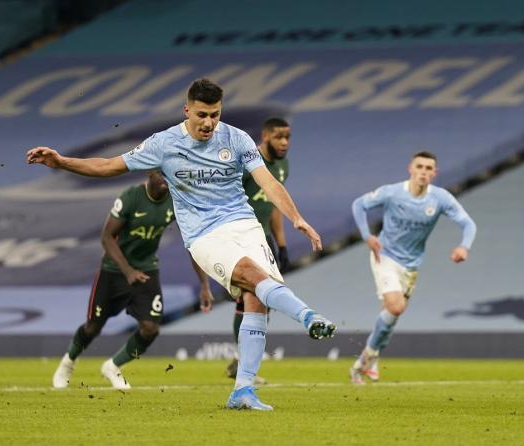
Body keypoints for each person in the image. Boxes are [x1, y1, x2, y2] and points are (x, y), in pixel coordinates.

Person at [27, 78, 336, 411]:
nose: (208, 123)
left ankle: (243, 390)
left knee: (257, 300)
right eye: (202, 114)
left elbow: (268, 183)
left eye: (215, 115)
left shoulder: (237, 139)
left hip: (244, 225)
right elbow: (108, 165)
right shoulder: (164, 144)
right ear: (187, 110)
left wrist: (296, 218)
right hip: (204, 235)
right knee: (253, 276)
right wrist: (62, 162)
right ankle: (308, 316)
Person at [52, 170, 214, 389]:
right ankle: (68, 363)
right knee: (93, 327)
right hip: (114, 270)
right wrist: (127, 271)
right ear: (150, 173)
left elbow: (192, 244)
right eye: (163, 173)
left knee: (150, 328)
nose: (168, 179)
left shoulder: (176, 201)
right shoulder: (131, 197)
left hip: (146, 269)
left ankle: (113, 366)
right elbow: (106, 237)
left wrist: (204, 285)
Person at [349, 151, 476, 385]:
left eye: (429, 169)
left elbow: (468, 224)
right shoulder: (392, 192)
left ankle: (366, 360)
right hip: (384, 255)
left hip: (412, 265)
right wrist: (367, 236)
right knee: (396, 307)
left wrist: (464, 247)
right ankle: (368, 359)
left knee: (390, 317)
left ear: (434, 173)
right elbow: (359, 205)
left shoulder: (440, 198)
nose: (424, 172)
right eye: (420, 167)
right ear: (411, 168)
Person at [226, 117, 292, 383]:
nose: (285, 143)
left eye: (288, 137)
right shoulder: (246, 162)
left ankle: (241, 361)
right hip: (242, 238)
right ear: (265, 137)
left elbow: (273, 204)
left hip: (264, 240)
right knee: (250, 299)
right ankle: (244, 364)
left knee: (265, 300)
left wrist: (283, 244)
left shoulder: (283, 165)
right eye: (279, 137)